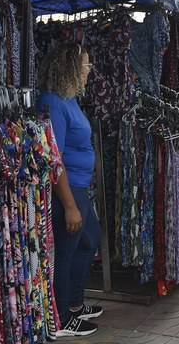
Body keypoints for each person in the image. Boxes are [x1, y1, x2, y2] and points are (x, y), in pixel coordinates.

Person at [36, 42, 102, 338]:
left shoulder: (69, 99)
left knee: (89, 241)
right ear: (71, 67)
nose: (89, 70)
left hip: (79, 186)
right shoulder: (53, 103)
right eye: (86, 64)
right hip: (69, 190)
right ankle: (61, 317)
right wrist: (70, 206)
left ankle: (73, 303)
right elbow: (54, 159)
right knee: (65, 252)